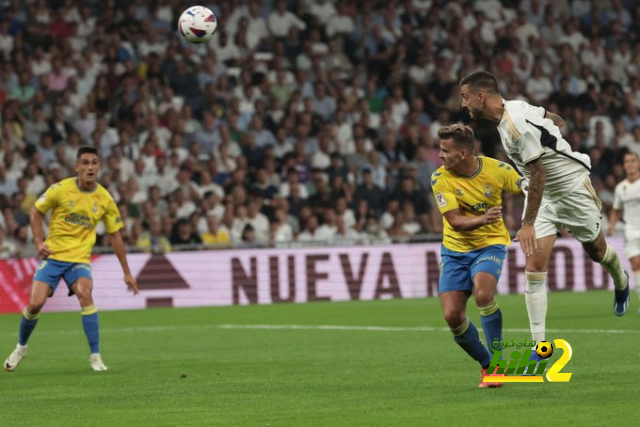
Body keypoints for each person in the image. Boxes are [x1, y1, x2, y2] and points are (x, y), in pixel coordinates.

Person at [458, 71, 630, 356]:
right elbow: (555, 119)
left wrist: (526, 224)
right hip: (544, 198)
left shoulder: (515, 125)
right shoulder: (516, 107)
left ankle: (621, 279)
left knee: (597, 251)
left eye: (465, 97)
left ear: (481, 96)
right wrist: (553, 139)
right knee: (534, 269)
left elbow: (538, 174)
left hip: (572, 190)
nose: (463, 104)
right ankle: (540, 345)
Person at [4, 146, 139, 372]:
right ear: (77, 167)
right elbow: (36, 212)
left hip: (79, 260)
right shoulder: (60, 189)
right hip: (54, 256)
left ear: (99, 167)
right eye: (85, 163)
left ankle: (95, 357)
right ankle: (21, 347)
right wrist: (39, 242)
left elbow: (116, 236)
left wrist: (126, 271)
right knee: (35, 304)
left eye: (94, 162)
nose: (90, 167)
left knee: (85, 294)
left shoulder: (104, 198)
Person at [431, 123, 523, 388]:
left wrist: (532, 221)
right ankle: (486, 365)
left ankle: (497, 365)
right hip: (454, 251)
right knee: (452, 316)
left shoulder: (498, 170)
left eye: (445, 150)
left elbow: (529, 188)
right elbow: (456, 221)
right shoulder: (440, 178)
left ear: (462, 154)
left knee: (484, 295)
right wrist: (484, 218)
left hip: (489, 245)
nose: (440, 155)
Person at [608, 152, 640, 312]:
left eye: (633, 161)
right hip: (631, 231)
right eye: (627, 161)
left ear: (638, 163)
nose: (630, 164)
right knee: (635, 263)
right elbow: (616, 209)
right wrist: (611, 225)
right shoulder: (621, 188)